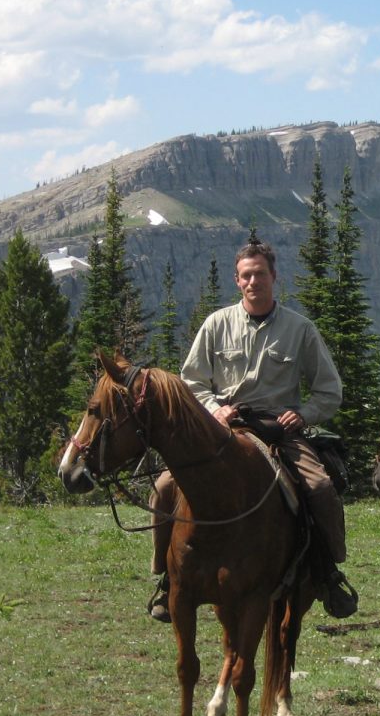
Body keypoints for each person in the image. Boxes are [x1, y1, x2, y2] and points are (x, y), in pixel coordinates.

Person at [147, 240, 359, 621]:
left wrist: (305, 414)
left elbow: (330, 391)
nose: (253, 281)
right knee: (164, 487)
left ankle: (328, 573)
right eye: (246, 275)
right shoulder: (216, 325)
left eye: (260, 273)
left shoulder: (301, 329)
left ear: (274, 277)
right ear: (237, 280)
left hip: (279, 430)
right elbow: (190, 381)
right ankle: (165, 577)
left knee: (321, 489)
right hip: (224, 430)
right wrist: (214, 409)